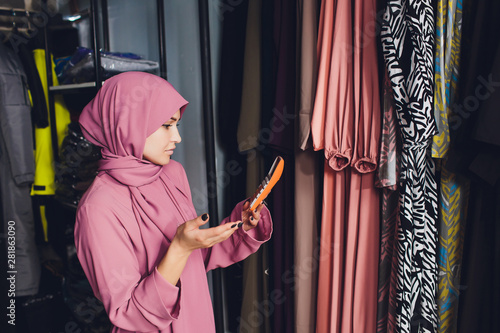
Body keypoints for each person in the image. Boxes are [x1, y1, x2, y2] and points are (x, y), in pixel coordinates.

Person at [74, 72, 273, 332]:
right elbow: (128, 314)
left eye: (176, 125)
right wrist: (178, 248)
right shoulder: (97, 208)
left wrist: (239, 227)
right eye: (167, 125)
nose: (177, 138)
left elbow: (194, 262)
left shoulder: (171, 173)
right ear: (129, 123)